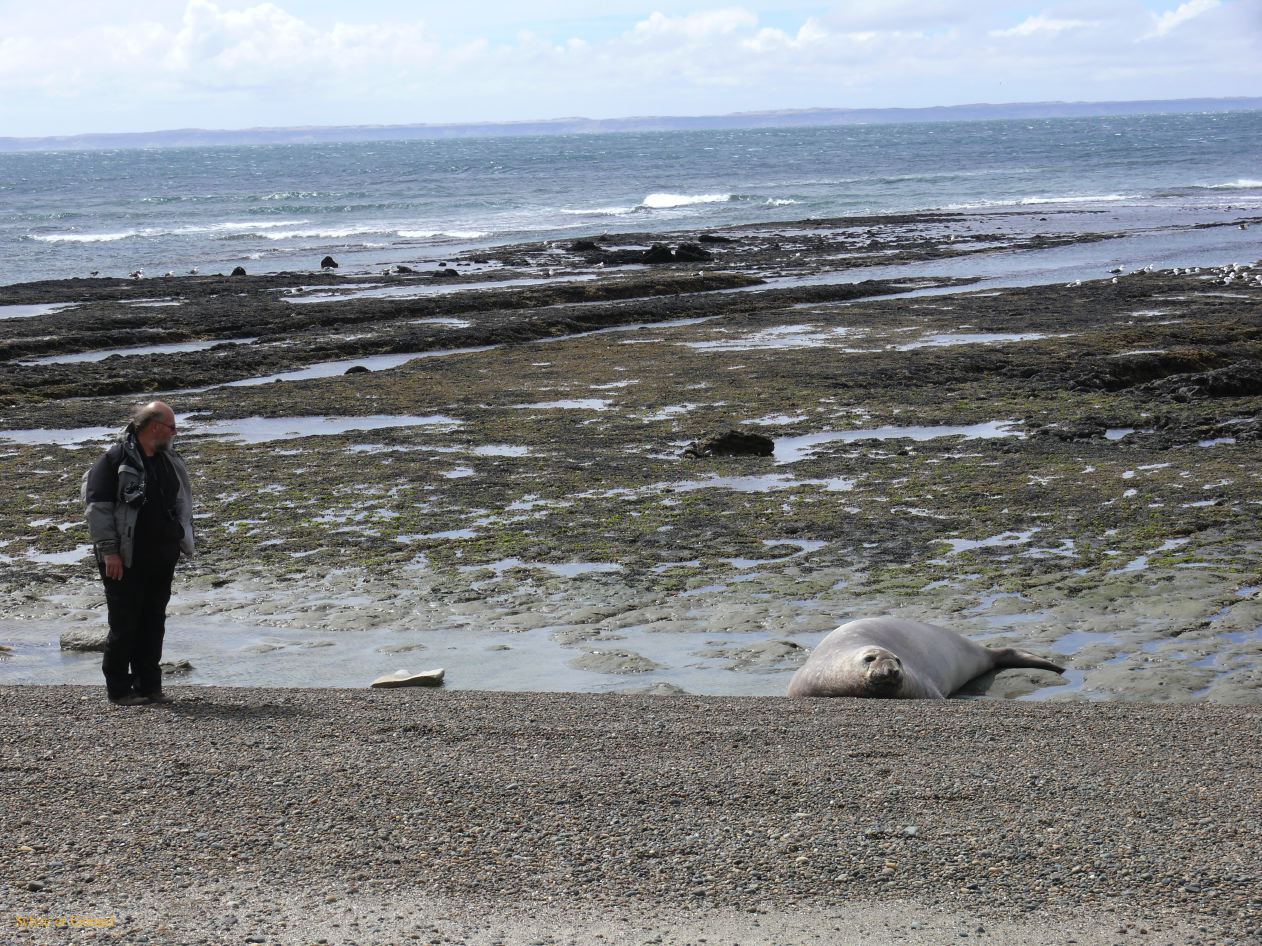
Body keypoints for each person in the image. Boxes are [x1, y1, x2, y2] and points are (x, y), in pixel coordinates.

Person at [82, 401, 194, 706]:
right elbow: (97, 510)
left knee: (153, 622)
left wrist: (181, 541)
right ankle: (118, 689)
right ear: (154, 427)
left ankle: (149, 685)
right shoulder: (114, 459)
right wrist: (110, 553)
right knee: (125, 623)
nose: (175, 432)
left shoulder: (167, 458)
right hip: (124, 559)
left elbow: (180, 501)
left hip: (161, 556)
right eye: (172, 427)